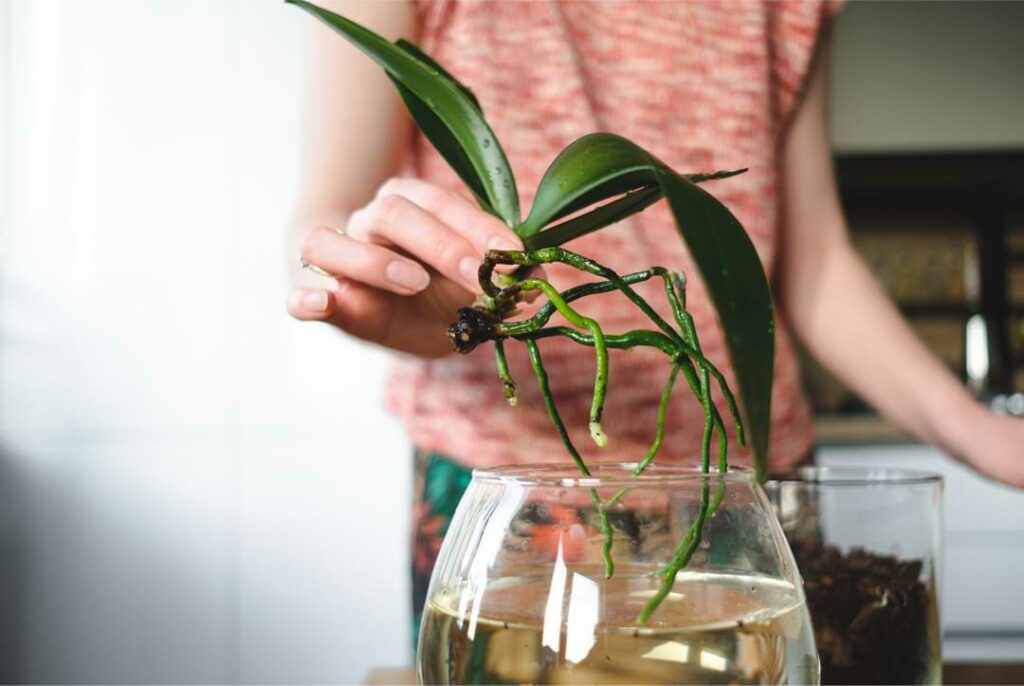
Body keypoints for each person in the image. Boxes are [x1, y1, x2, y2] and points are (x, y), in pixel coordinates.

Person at [286, 0, 1023, 639]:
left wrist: (980, 432)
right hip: (513, 496)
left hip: (745, 494)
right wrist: (387, 278)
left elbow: (815, 261)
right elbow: (327, 220)